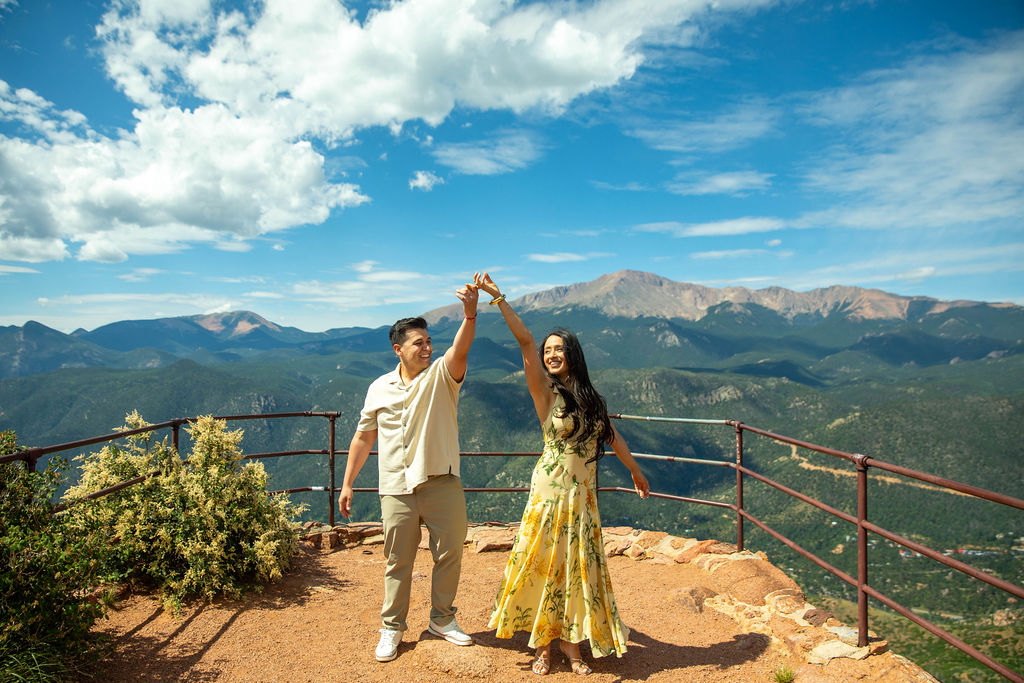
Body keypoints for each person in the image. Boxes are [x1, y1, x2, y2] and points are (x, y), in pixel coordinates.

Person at [474, 272, 650, 676]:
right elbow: (523, 343)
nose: (551, 354)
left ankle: (572, 645)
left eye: (558, 349)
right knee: (545, 566)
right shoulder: (544, 390)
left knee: (574, 570)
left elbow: (613, 437)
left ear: (573, 354)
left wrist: (635, 471)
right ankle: (542, 645)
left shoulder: (591, 398)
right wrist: (498, 298)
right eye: (547, 349)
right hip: (551, 492)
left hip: (583, 495)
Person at [338, 281, 480, 663]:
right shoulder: (378, 388)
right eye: (419, 343)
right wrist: (348, 484)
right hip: (396, 487)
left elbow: (460, 348)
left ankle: (442, 620)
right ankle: (392, 628)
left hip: (442, 482)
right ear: (398, 349)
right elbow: (363, 438)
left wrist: (470, 315)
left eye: (429, 341)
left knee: (449, 554)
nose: (427, 347)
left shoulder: (442, 377)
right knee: (397, 561)